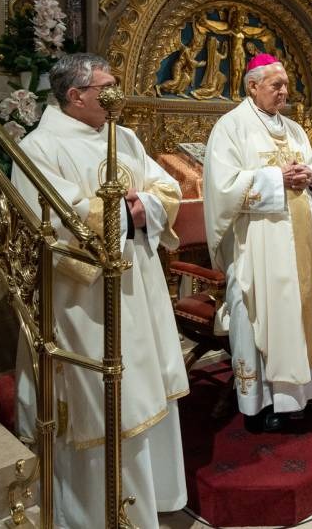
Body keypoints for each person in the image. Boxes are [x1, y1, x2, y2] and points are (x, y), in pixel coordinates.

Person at [10, 53, 189, 528]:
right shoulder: (39, 147)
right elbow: (52, 221)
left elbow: (166, 187)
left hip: (140, 285)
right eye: (107, 88)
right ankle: (93, 515)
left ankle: (153, 501)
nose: (117, 96)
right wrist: (121, 214)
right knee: (105, 401)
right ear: (76, 95)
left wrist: (145, 206)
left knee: (145, 389)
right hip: (84, 301)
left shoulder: (124, 136)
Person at [203, 54, 312, 432]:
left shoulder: (294, 129)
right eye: (276, 85)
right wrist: (275, 179)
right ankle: (269, 402)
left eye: (286, 84)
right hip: (261, 245)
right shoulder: (231, 127)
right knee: (270, 316)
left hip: (305, 239)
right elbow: (222, 187)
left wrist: (311, 176)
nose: (285, 91)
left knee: (311, 312)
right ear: (252, 86)